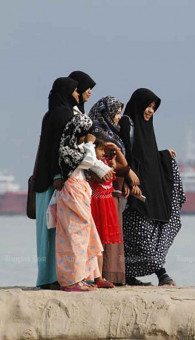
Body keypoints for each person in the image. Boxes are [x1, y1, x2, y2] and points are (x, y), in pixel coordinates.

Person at [119, 88, 185, 286]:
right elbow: (124, 153)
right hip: (132, 191)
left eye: (153, 107)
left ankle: (132, 274)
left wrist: (163, 155)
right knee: (138, 240)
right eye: (148, 106)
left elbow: (146, 155)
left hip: (147, 190)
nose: (150, 111)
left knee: (152, 234)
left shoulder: (146, 128)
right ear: (138, 105)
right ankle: (158, 273)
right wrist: (129, 178)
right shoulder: (127, 123)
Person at [56, 115, 114, 292]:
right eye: (85, 133)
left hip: (81, 192)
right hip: (72, 193)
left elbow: (94, 163)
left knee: (87, 235)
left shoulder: (79, 148)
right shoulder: (68, 150)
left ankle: (88, 276)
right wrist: (89, 144)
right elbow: (87, 161)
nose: (89, 136)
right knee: (75, 238)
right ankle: (71, 280)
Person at [33, 77, 80, 290]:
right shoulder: (65, 115)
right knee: (57, 229)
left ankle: (46, 277)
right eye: (75, 91)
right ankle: (57, 276)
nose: (78, 95)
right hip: (56, 181)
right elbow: (58, 149)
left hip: (43, 180)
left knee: (45, 232)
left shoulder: (49, 115)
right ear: (67, 93)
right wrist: (57, 175)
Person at [88, 96, 140, 285]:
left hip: (110, 196)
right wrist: (126, 173)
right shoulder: (95, 135)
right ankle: (95, 276)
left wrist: (117, 152)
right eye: (116, 112)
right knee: (95, 239)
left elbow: (119, 165)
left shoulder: (113, 136)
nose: (119, 116)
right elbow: (100, 169)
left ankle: (105, 276)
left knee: (104, 241)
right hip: (97, 197)